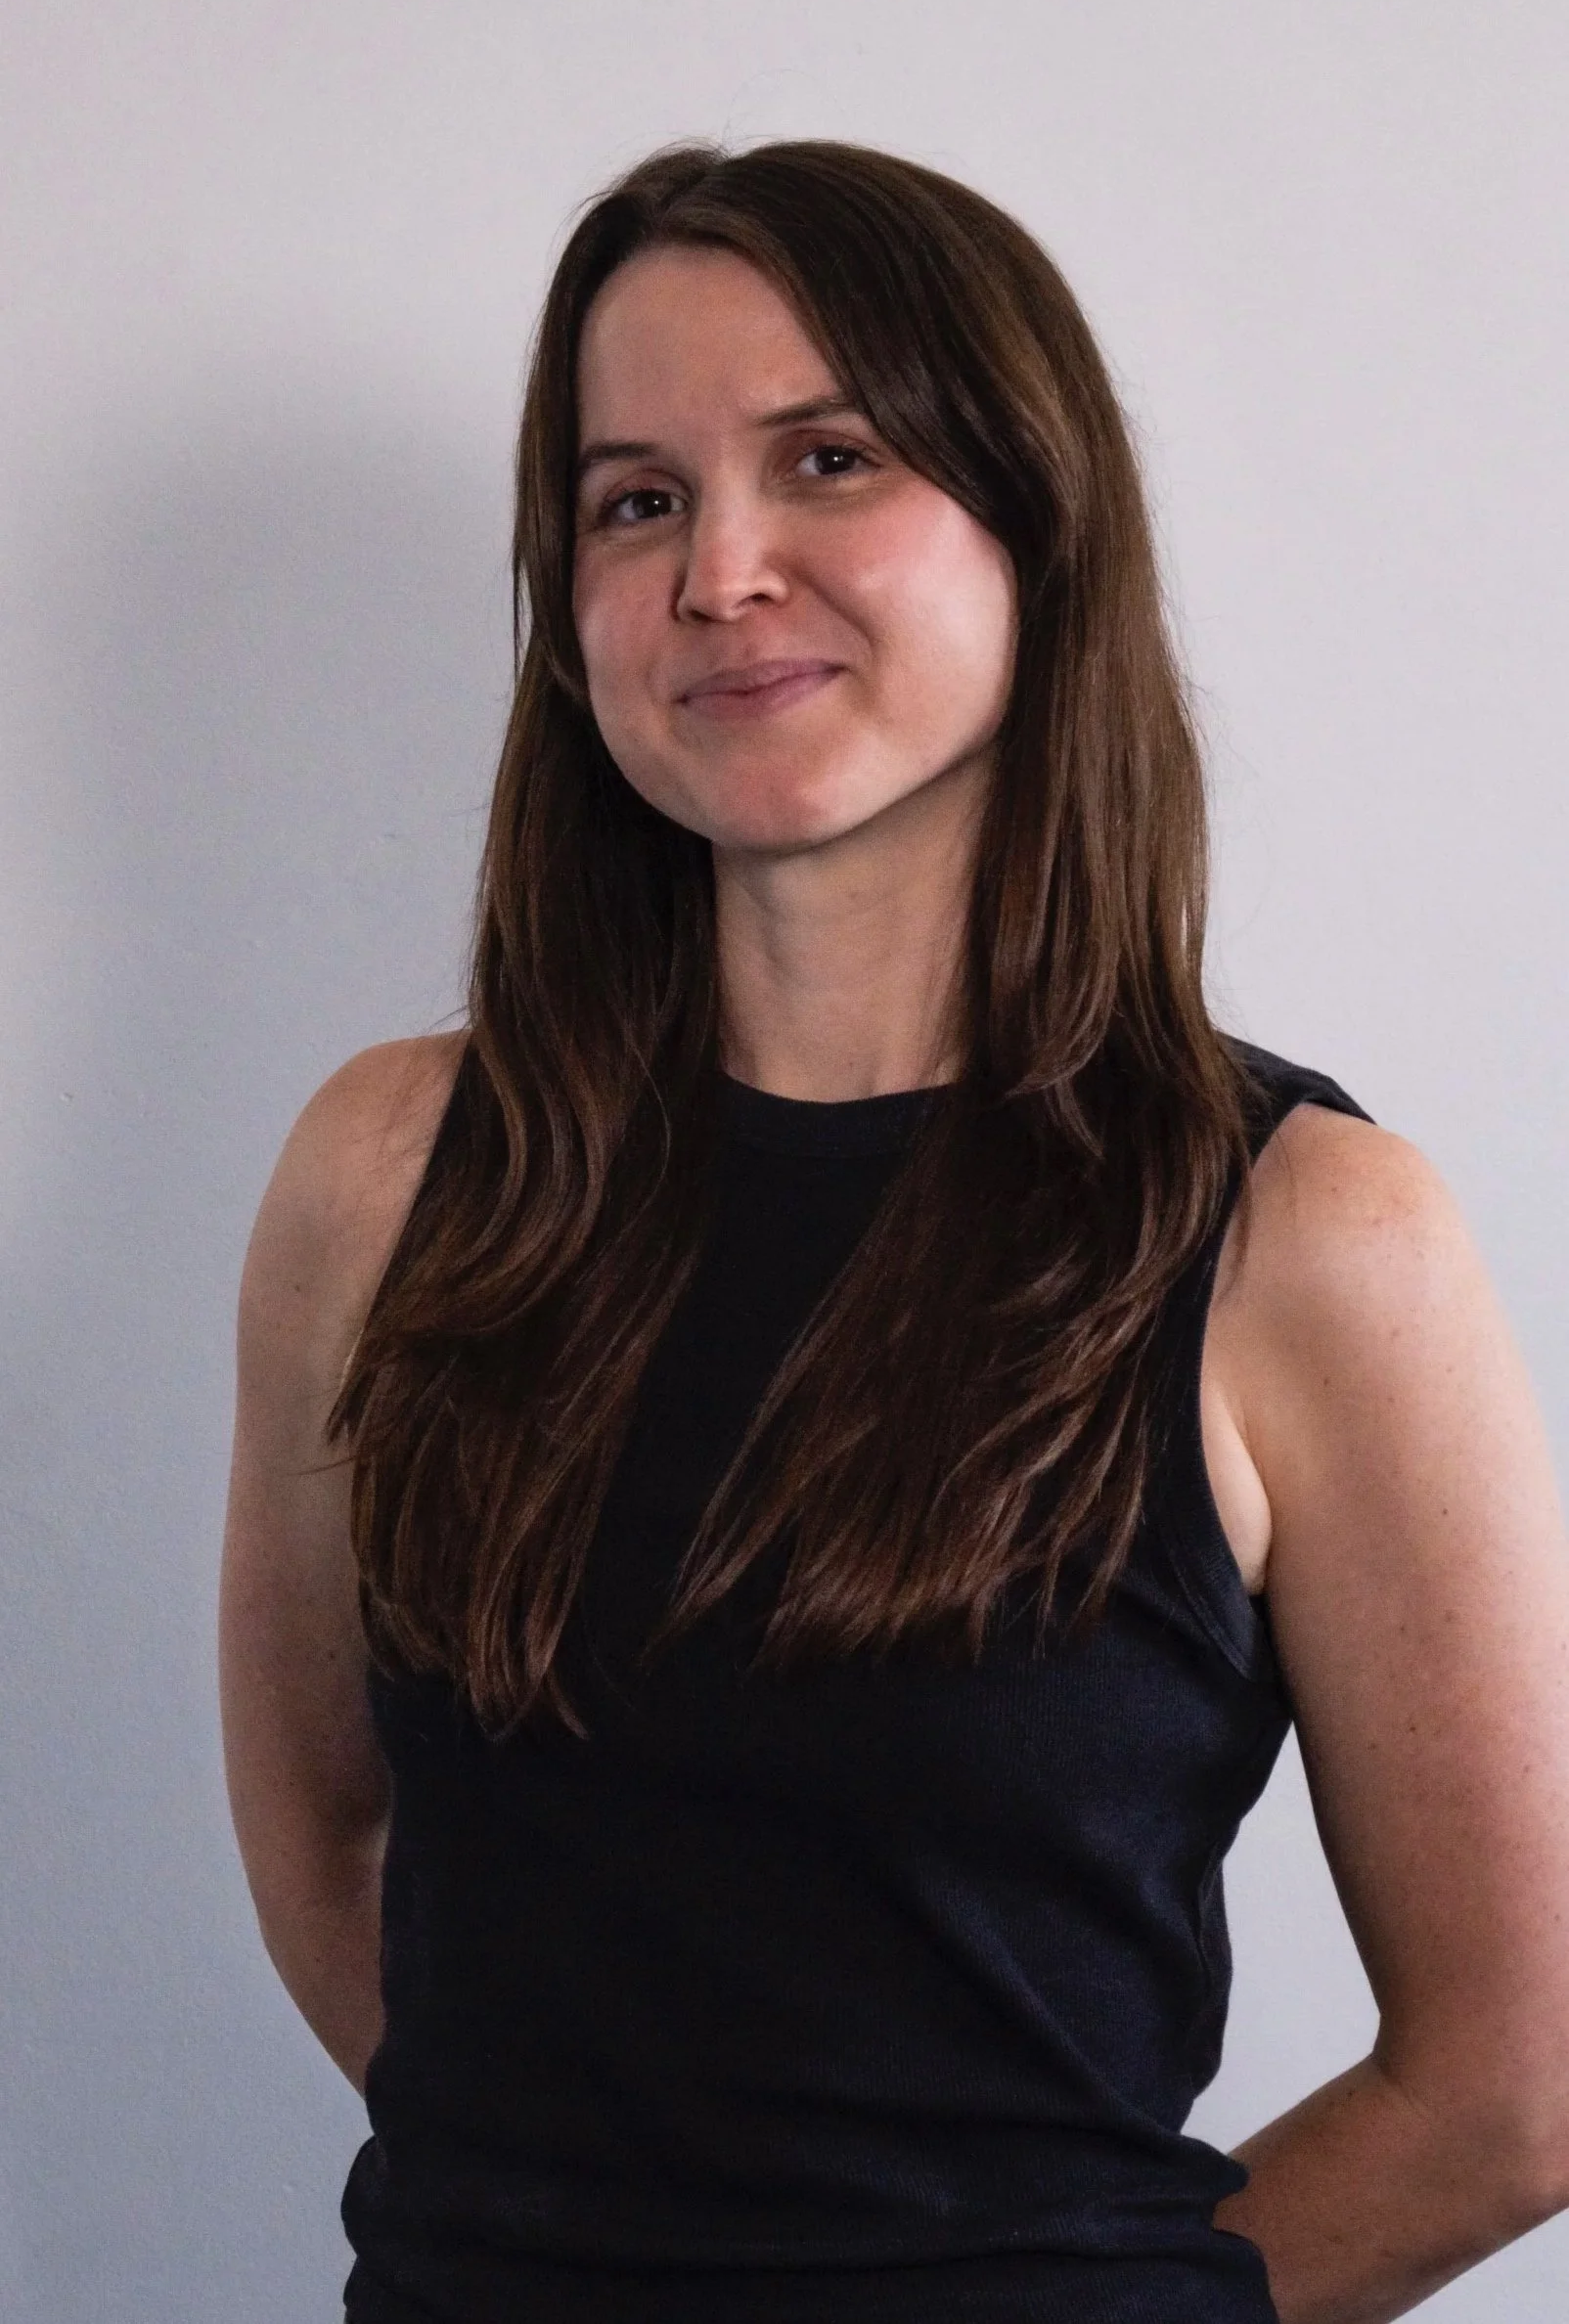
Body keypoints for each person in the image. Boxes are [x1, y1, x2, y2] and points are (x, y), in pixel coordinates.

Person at [217, 140, 1569, 2324]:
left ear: (1036, 523)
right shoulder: (389, 1178)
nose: (721, 570)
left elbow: (1513, 2088)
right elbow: (335, 1848)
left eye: (827, 459)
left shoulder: (1303, 1241)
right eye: (633, 498)